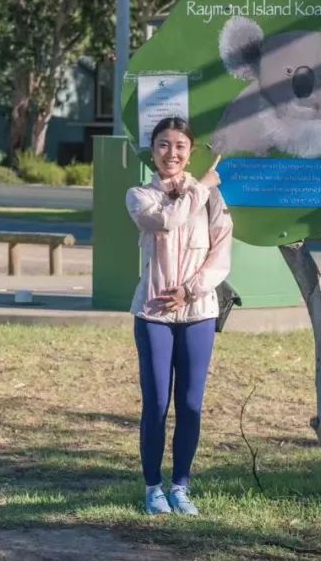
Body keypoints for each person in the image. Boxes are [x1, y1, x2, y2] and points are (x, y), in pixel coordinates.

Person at [125, 117, 233, 516]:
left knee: (190, 404)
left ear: (191, 151)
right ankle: (153, 487)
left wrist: (192, 289)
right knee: (156, 403)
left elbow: (221, 251)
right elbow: (166, 221)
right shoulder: (140, 196)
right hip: (153, 314)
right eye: (163, 145)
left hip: (199, 312)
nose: (172, 153)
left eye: (180, 146)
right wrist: (200, 187)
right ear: (152, 151)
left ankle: (181, 486)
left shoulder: (213, 200)